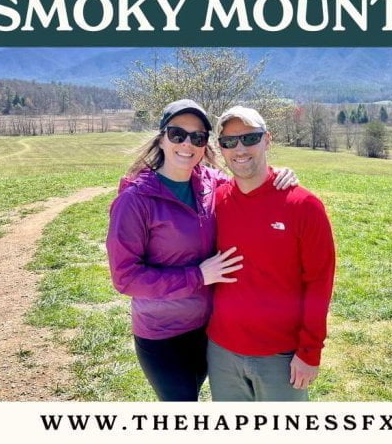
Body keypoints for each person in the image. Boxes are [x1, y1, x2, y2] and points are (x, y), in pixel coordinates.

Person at [106, 99, 296, 402]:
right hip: (163, 335)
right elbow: (126, 278)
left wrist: (277, 174)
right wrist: (197, 276)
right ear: (161, 138)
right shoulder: (136, 200)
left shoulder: (212, 183)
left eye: (197, 137)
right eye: (177, 134)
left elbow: (247, 181)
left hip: (210, 329)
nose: (187, 144)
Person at [207, 106, 336, 402]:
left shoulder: (304, 206)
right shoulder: (216, 202)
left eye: (250, 138)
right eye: (229, 142)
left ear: (268, 140)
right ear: (221, 149)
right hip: (222, 352)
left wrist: (310, 352)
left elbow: (319, 283)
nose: (239, 149)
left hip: (281, 356)